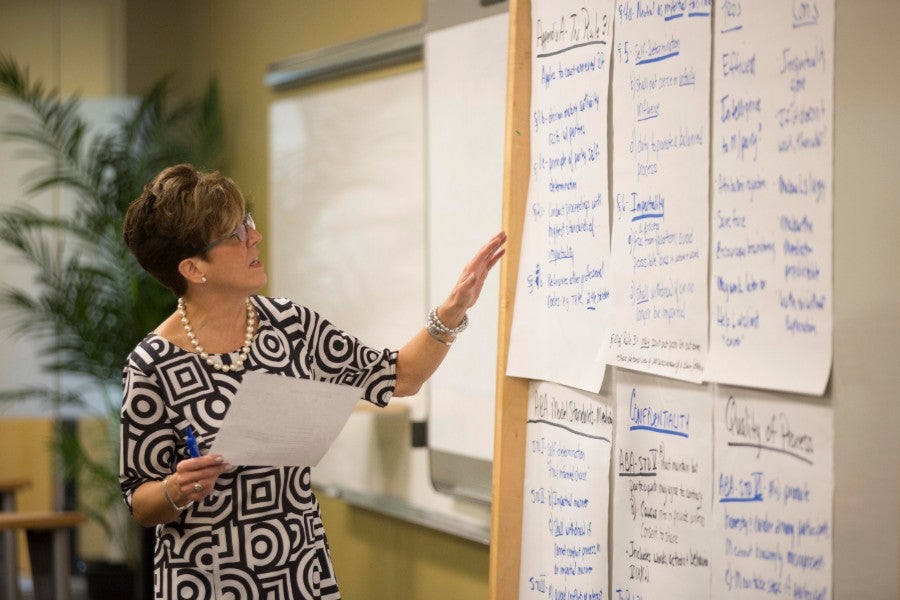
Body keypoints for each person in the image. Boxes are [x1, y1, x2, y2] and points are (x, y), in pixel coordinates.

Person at [118, 163, 506, 599]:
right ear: (192, 268)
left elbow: (401, 376)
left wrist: (453, 309)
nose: (254, 236)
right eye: (234, 234)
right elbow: (139, 500)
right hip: (206, 582)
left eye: (247, 221)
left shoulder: (291, 327)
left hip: (300, 573)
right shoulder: (151, 366)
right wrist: (175, 488)